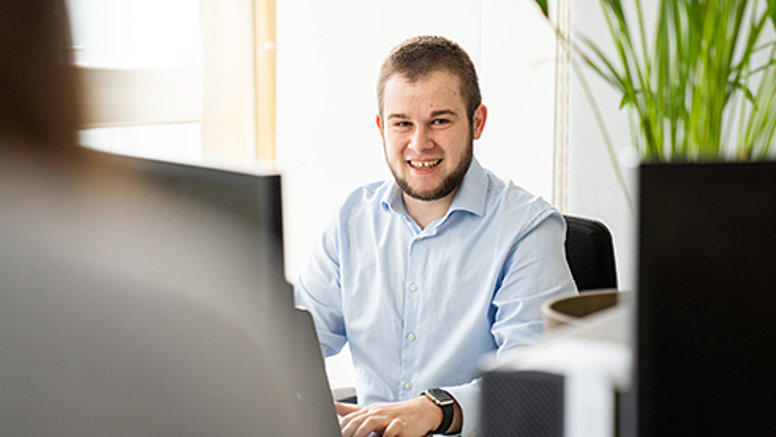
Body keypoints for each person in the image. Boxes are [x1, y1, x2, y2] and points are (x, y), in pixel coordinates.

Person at [294, 35, 577, 437]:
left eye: (439, 121)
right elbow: (292, 343)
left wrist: (437, 409)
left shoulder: (527, 230)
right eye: (402, 123)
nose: (419, 143)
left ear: (477, 122)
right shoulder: (350, 219)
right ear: (381, 127)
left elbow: (533, 389)